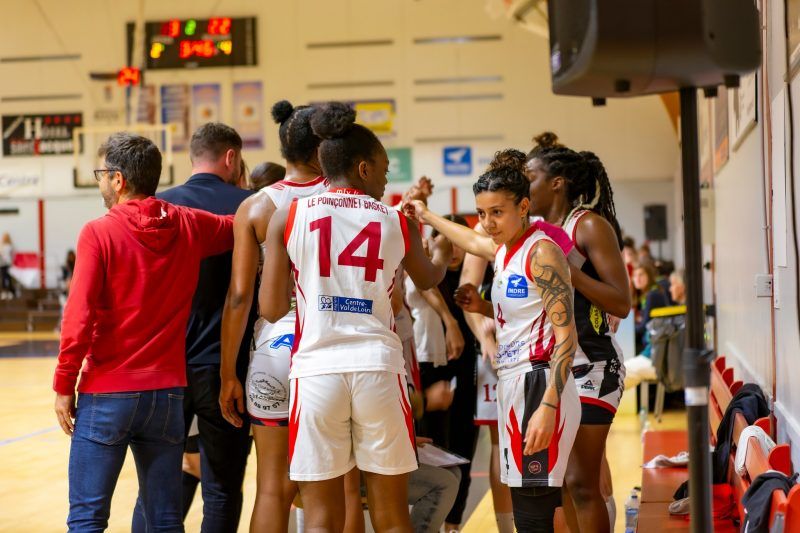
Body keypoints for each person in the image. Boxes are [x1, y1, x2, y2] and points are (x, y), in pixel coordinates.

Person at [259, 101, 452, 532]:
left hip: (315, 372)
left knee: (321, 519)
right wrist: (441, 252)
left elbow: (270, 309)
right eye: (383, 170)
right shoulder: (396, 220)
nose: (385, 181)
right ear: (363, 168)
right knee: (391, 518)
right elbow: (428, 277)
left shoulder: (287, 216)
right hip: (377, 370)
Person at [52, 133, 235, 532]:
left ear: (118, 180)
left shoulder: (98, 232)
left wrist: (65, 384)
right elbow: (239, 225)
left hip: (107, 392)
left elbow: (78, 318)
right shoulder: (187, 223)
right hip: (167, 395)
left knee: (87, 518)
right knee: (165, 519)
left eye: (102, 174)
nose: (101, 181)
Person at [406, 149, 580, 532]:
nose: (487, 223)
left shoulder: (542, 253)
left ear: (523, 207)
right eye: (482, 213)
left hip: (539, 382)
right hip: (512, 380)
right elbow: (471, 240)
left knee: (536, 510)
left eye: (497, 212)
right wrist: (426, 215)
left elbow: (566, 338)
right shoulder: (504, 251)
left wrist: (548, 405)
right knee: (527, 503)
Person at [219, 100, 328, 533]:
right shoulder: (345, 199)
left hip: (273, 349)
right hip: (330, 346)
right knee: (334, 487)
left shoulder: (256, 206)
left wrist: (228, 373)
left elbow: (239, 296)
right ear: (323, 148)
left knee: (271, 488)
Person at [524, 133, 631, 533]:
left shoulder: (587, 225)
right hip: (558, 367)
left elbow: (621, 301)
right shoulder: (537, 232)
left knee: (580, 482)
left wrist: (568, 272)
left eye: (530, 177)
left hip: (595, 365)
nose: (523, 186)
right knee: (564, 485)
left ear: (557, 182)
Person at [156, 122, 254, 533]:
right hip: (226, 367)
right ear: (231, 157)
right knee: (222, 489)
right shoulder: (251, 205)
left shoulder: (159, 205)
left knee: (157, 489)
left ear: (192, 157)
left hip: (166, 367)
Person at [0, 233, 14, 299]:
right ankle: (6, 292)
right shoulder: (4, 246)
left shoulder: (7, 246)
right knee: (5, 278)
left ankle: (8, 292)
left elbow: (12, 255)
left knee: (6, 278)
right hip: (5, 264)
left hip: (6, 264)